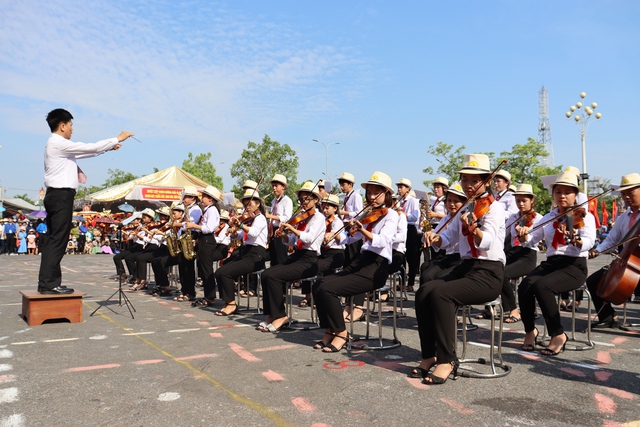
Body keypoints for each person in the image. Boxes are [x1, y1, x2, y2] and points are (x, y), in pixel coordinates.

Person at [417, 154, 505, 384]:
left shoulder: (495, 208)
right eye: (465, 180)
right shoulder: (465, 207)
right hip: (466, 267)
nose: (468, 185)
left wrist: (474, 228)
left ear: (487, 181)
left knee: (441, 293)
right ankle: (430, 353)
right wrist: (435, 237)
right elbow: (447, 239)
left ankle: (447, 359)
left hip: (488, 272)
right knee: (424, 290)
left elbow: (487, 242)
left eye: (474, 180)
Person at [37, 108, 132, 293]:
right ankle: (49, 284)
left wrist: (108, 148)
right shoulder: (58, 143)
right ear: (62, 126)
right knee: (58, 240)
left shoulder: (58, 146)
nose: (72, 129)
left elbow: (86, 152)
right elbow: (91, 147)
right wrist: (117, 138)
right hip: (60, 195)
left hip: (57, 195)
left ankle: (50, 282)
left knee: (55, 239)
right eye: (71, 125)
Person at [313, 171, 398, 353]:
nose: (372, 196)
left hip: (376, 266)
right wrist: (336, 237)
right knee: (319, 284)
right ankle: (329, 330)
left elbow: (383, 241)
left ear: (387, 194)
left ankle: (341, 333)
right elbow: (350, 239)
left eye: (377, 193)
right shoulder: (368, 214)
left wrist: (362, 230)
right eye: (370, 193)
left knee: (329, 289)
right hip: (361, 260)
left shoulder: (391, 215)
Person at [517, 171, 596, 356]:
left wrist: (575, 239)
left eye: (567, 192)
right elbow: (531, 239)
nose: (562, 196)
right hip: (552, 263)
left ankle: (558, 334)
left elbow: (589, 241)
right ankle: (530, 331)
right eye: (558, 192)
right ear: (553, 194)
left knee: (543, 286)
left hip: (574, 265)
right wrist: (523, 234)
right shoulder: (548, 218)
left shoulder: (585, 217)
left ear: (575, 195)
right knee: (525, 286)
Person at [259, 181, 325, 332]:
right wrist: (284, 235)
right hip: (297, 256)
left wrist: (292, 230)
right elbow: (293, 241)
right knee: (266, 274)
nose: (303, 202)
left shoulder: (319, 218)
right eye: (301, 199)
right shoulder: (302, 218)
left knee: (274, 276)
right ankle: (272, 314)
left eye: (307, 199)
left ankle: (281, 316)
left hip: (309, 260)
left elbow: (308, 238)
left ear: (315, 200)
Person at [479, 184, 543, 322]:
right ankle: (491, 308)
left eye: (524, 201)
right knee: (492, 269)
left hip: (528, 255)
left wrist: (524, 235)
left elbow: (531, 241)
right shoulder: (513, 217)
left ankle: (514, 310)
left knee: (503, 274)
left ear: (532, 200)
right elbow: (503, 235)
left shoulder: (538, 218)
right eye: (518, 200)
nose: (520, 204)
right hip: (513, 252)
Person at [586, 173, 640, 328]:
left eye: (631, 192)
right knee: (594, 281)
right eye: (624, 194)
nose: (626, 197)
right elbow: (612, 239)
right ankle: (608, 317)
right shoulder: (623, 218)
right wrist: (597, 251)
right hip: (628, 260)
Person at [215, 189, 268, 316]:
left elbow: (253, 232)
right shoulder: (249, 220)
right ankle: (227, 302)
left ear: (258, 204)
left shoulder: (260, 218)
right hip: (246, 252)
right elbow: (240, 236)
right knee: (219, 271)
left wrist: (241, 225)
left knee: (225, 273)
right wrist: (234, 233)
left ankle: (231, 304)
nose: (247, 207)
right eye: (245, 205)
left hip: (256, 255)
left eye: (249, 204)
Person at [419, 181, 466, 285]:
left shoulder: (464, 217)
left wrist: (438, 238)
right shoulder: (446, 219)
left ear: (464, 203)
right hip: (448, 256)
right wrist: (429, 235)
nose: (451, 204)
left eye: (456, 201)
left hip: (461, 258)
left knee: (436, 277)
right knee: (425, 268)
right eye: (449, 201)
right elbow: (441, 238)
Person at [186, 185, 222, 307]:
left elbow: (209, 228)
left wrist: (194, 226)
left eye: (204, 197)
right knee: (203, 268)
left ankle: (210, 297)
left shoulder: (212, 210)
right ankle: (207, 295)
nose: (202, 199)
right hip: (203, 239)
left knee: (207, 269)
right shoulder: (207, 209)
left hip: (208, 240)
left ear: (211, 199)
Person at [173, 186, 202, 302]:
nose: (183, 199)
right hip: (184, 236)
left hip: (191, 236)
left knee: (188, 266)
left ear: (192, 198)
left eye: (185, 197)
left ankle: (190, 292)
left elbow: (191, 224)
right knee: (182, 264)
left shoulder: (196, 209)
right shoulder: (187, 209)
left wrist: (178, 225)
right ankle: (184, 290)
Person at [396, 178, 420, 291]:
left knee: (411, 256)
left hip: (410, 228)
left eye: (401, 187)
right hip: (401, 227)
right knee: (401, 256)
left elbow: (415, 217)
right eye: (398, 187)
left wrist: (403, 214)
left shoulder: (413, 201)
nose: (399, 189)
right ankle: (401, 282)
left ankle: (410, 284)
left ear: (408, 189)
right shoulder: (399, 200)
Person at [265, 174, 293, 266]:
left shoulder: (287, 200)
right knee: (273, 258)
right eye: (273, 186)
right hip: (273, 231)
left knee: (281, 258)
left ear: (283, 187)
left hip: (281, 231)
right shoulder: (274, 201)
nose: (274, 188)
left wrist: (270, 216)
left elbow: (287, 217)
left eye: (276, 186)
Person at [338, 172, 364, 269]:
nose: (341, 187)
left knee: (353, 252)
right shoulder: (347, 196)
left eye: (343, 185)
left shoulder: (356, 196)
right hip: (346, 225)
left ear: (350, 184)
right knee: (347, 252)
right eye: (341, 185)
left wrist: (345, 213)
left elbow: (359, 213)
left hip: (353, 226)